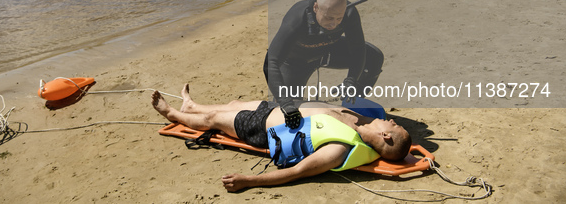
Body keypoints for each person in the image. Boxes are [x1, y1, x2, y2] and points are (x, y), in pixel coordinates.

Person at [152, 85, 411, 192]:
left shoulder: (339, 148)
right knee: (234, 103)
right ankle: (191, 106)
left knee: (215, 120)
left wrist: (249, 181)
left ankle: (172, 113)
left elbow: (297, 172)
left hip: (262, 128)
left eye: (394, 125)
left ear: (385, 135)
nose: (392, 120)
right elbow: (403, 151)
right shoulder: (366, 123)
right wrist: (407, 154)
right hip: (280, 109)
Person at [263, 0, 384, 129]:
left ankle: (352, 105)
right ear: (316, 8)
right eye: (329, 18)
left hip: (327, 53)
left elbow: (358, 50)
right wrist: (285, 103)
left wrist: (351, 80)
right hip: (295, 63)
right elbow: (270, 63)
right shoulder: (297, 17)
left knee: (374, 57)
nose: (334, 24)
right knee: (288, 113)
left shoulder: (349, 13)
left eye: (339, 19)